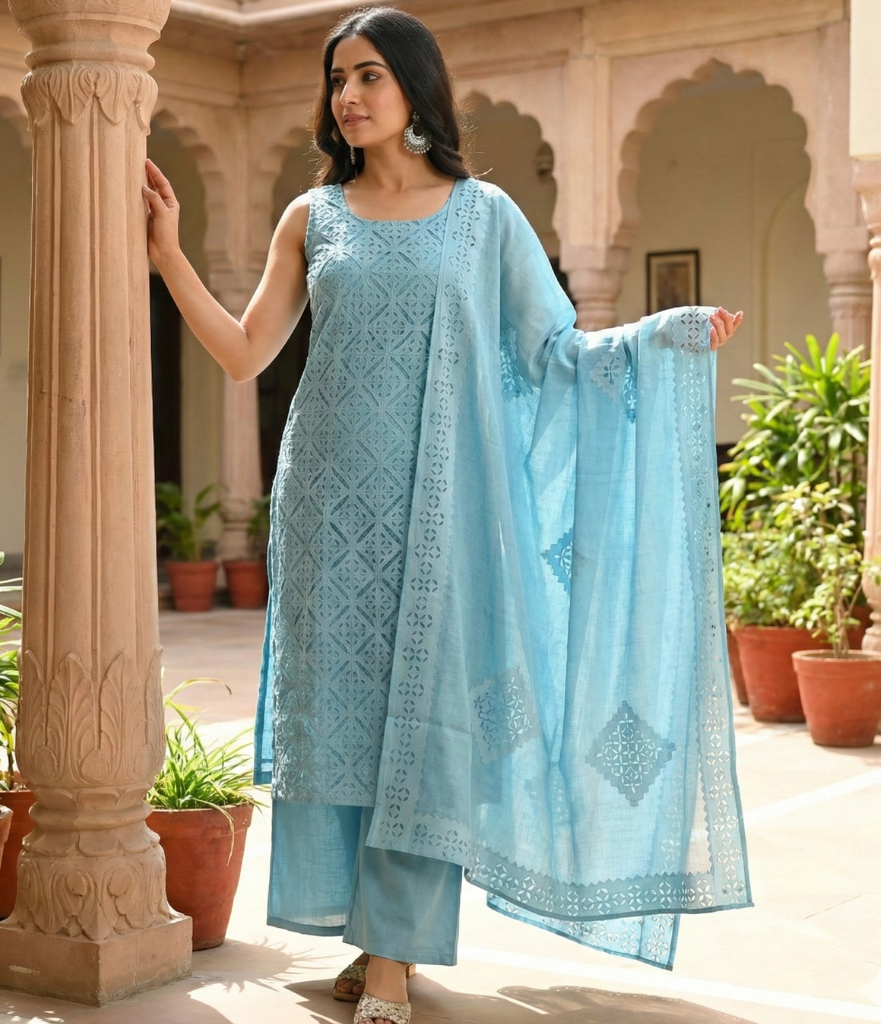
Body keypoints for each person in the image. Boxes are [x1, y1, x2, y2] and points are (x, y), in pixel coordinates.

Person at [144, 9, 747, 1024]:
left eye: (370, 75)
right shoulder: (312, 215)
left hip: (443, 521)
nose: (349, 95)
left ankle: (392, 958)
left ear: (417, 87)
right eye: (338, 78)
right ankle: (376, 935)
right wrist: (166, 254)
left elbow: (555, 353)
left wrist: (658, 338)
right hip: (329, 511)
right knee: (340, 723)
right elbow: (247, 353)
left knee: (426, 730)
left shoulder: (483, 215)